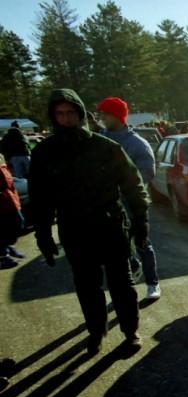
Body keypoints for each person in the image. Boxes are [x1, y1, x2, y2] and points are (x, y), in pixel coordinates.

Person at [28, 89, 149, 356]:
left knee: (122, 286)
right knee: (87, 287)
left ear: (80, 114)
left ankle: (131, 332)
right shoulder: (44, 153)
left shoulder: (106, 147)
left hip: (111, 227)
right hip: (74, 230)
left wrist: (141, 222)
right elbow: (40, 199)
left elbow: (133, 186)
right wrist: (43, 235)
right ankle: (96, 332)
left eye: (70, 112)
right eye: (60, 114)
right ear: (53, 117)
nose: (66, 118)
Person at [97, 97, 162, 300]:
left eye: (105, 114)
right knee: (114, 245)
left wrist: (123, 190)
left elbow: (146, 173)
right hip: (105, 204)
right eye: (101, 114)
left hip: (131, 203)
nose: (102, 118)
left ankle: (153, 283)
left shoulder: (137, 144)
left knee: (142, 242)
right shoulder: (98, 140)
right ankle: (133, 268)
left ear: (117, 115)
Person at [0, 154, 25, 269]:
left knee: (17, 222)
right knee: (5, 226)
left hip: (8, 198)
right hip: (3, 199)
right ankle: (3, 256)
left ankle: (7, 246)